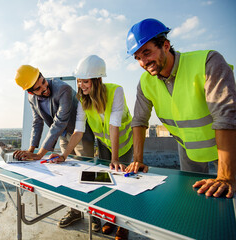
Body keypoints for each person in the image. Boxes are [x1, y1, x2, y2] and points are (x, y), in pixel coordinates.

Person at [125, 18, 236, 199]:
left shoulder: (207, 62)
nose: (143, 62)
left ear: (166, 46)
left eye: (147, 53)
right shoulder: (145, 83)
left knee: (230, 196)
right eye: (137, 58)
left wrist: (225, 176)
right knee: (192, 201)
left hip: (228, 148)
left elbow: (226, 117)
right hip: (188, 150)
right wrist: (137, 160)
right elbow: (139, 120)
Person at [49, 55, 133, 239]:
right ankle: (111, 220)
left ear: (97, 79)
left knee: (123, 184)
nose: (81, 85)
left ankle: (123, 225)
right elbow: (78, 131)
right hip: (104, 144)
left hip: (124, 144)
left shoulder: (116, 91)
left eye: (85, 81)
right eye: (79, 81)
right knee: (106, 181)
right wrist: (64, 155)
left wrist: (115, 158)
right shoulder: (82, 99)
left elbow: (114, 126)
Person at [13, 64, 95, 228]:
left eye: (43, 82)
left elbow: (58, 123)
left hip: (81, 134)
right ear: (31, 91)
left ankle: (95, 216)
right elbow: (37, 123)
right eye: (39, 88)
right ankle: (75, 212)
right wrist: (30, 151)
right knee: (68, 174)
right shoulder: (31, 98)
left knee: (86, 175)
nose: (45, 88)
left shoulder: (62, 89)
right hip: (64, 135)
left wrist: (40, 154)